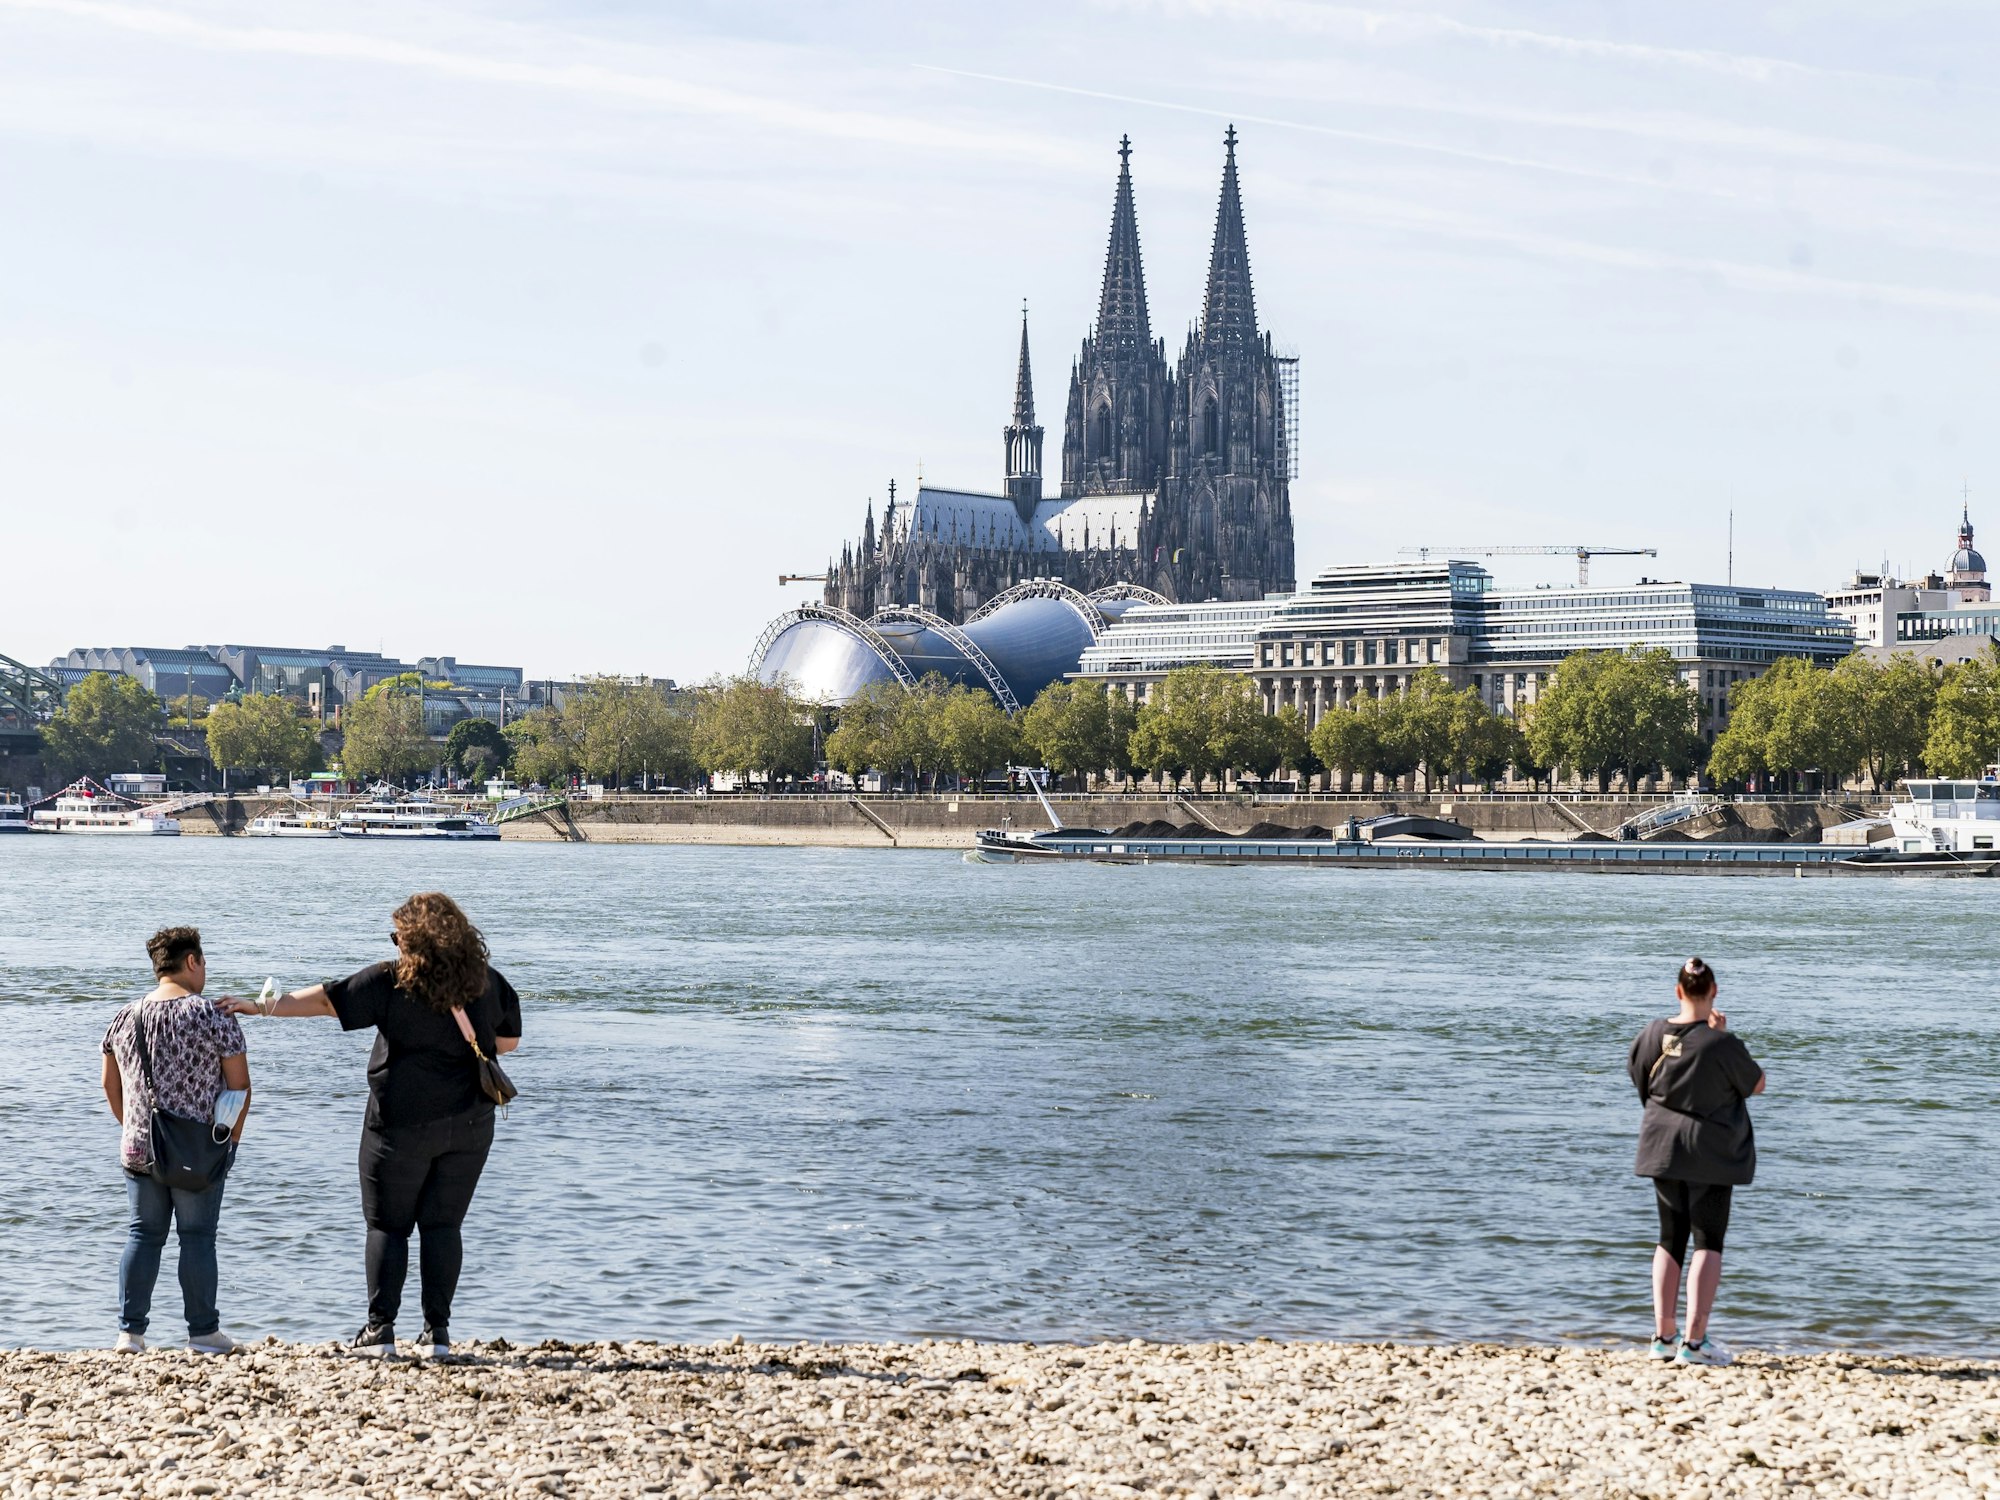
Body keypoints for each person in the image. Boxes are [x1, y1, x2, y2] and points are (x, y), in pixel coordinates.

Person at [222, 893, 520, 1358]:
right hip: (469, 1124)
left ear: (413, 940)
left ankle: (380, 1331)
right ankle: (437, 1335)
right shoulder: (487, 981)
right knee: (444, 1226)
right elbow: (510, 1040)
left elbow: (325, 1002)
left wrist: (260, 1007)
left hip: (397, 1124)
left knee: (388, 1226)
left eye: (398, 936)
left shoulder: (391, 980)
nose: (394, 943)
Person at [102, 926, 252, 1355]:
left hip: (138, 1147)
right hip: (198, 1150)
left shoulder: (125, 1016)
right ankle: (203, 1333)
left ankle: (130, 1334)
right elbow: (238, 1088)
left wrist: (132, 1130)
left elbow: (109, 1084)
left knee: (143, 1235)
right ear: (192, 962)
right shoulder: (213, 1015)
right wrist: (230, 1143)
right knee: (198, 1236)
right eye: (204, 962)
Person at [1628, 957, 1765, 1367]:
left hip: (1662, 1146)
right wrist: (1722, 1036)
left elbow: (1640, 1078)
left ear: (1678, 991)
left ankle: (1662, 1337)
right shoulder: (1721, 1043)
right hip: (1711, 1152)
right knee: (1708, 1239)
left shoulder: (1653, 1033)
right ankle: (1695, 1342)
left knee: (1669, 1237)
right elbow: (1756, 1084)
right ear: (1715, 991)